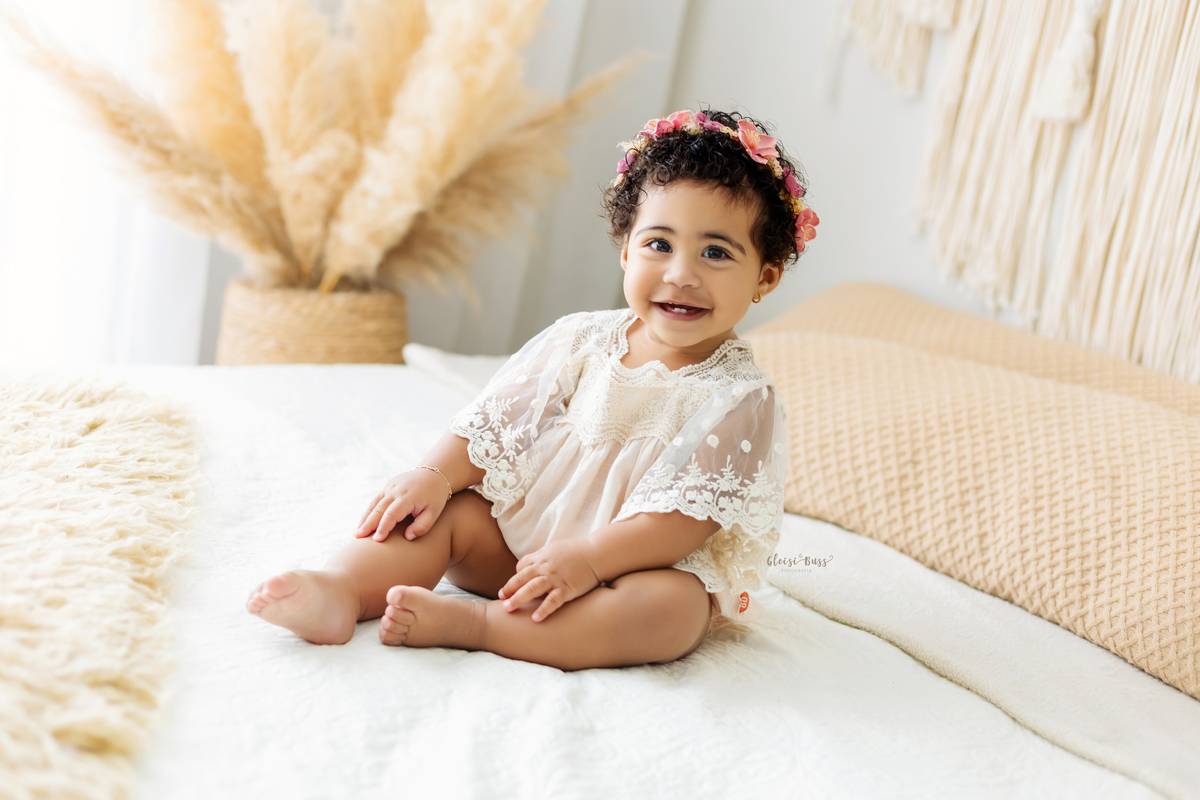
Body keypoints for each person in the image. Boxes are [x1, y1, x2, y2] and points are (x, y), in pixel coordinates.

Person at [246, 108, 819, 670]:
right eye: (659, 245)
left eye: (716, 252)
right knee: (444, 512)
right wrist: (435, 475)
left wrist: (589, 560)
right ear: (626, 249)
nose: (680, 274)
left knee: (674, 610)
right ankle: (342, 589)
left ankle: (480, 625)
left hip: (627, 572)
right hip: (517, 555)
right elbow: (495, 421)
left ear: (765, 276)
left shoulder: (739, 396)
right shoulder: (583, 339)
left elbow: (682, 519)